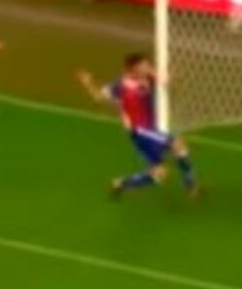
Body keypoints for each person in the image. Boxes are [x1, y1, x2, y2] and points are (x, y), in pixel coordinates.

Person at [76, 53, 199, 198]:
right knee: (177, 144)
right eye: (143, 66)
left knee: (159, 175)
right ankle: (190, 185)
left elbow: (168, 81)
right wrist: (88, 82)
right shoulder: (121, 86)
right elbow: (98, 97)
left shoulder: (148, 78)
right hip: (140, 130)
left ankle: (121, 183)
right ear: (132, 70)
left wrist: (177, 68)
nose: (147, 68)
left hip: (149, 129)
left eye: (147, 65)